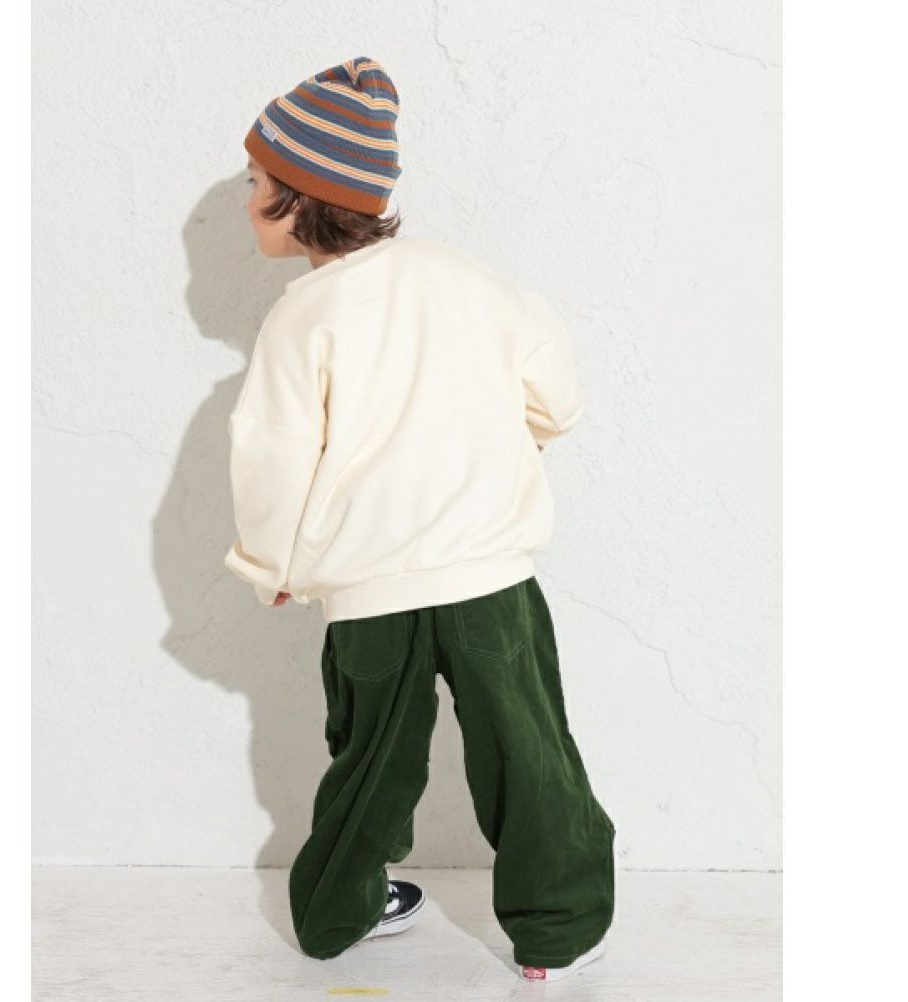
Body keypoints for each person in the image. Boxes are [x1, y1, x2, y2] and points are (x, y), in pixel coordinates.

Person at [224, 56, 616, 984]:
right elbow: (556, 397)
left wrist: (272, 565)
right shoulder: (468, 279)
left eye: (257, 182)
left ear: (303, 198)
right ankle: (552, 937)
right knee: (529, 752)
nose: (247, 200)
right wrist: (512, 436)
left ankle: (334, 916)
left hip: (371, 592)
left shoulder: (302, 319)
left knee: (370, 761)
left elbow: (272, 458)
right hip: (489, 579)